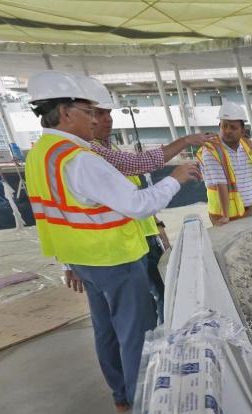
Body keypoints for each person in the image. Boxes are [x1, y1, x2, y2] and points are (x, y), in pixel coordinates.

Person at [24, 70, 201, 411]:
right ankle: (148, 405)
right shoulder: (81, 159)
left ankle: (121, 394)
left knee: (105, 329)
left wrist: (68, 262)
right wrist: (176, 178)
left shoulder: (41, 154)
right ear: (65, 112)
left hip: (81, 259)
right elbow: (139, 204)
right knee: (137, 332)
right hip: (113, 258)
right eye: (89, 112)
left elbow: (55, 212)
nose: (95, 121)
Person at [73, 75, 213, 323]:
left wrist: (157, 227)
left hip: (137, 236)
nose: (104, 120)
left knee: (150, 301)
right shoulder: (88, 154)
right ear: (71, 114)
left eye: (108, 114)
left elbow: (136, 187)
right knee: (137, 317)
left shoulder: (105, 149)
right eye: (95, 113)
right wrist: (182, 151)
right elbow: (139, 167)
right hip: (118, 250)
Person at [197, 101, 252, 226]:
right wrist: (226, 216)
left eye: (233, 127)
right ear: (219, 126)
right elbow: (221, 184)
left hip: (249, 209)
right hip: (223, 215)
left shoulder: (249, 146)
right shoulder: (211, 150)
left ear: (243, 132)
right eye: (224, 126)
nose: (227, 131)